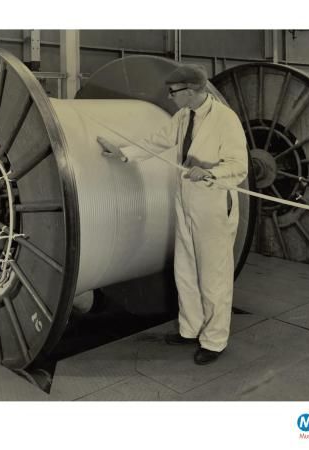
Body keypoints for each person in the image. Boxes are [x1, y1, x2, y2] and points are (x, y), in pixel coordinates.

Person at [97, 64, 248, 365]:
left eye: (174, 92)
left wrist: (209, 172)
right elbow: (158, 141)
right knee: (186, 268)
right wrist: (124, 153)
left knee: (213, 276)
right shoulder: (183, 116)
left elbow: (239, 166)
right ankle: (190, 329)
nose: (170, 97)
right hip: (187, 199)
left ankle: (215, 340)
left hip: (213, 203)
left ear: (191, 91)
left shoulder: (225, 120)